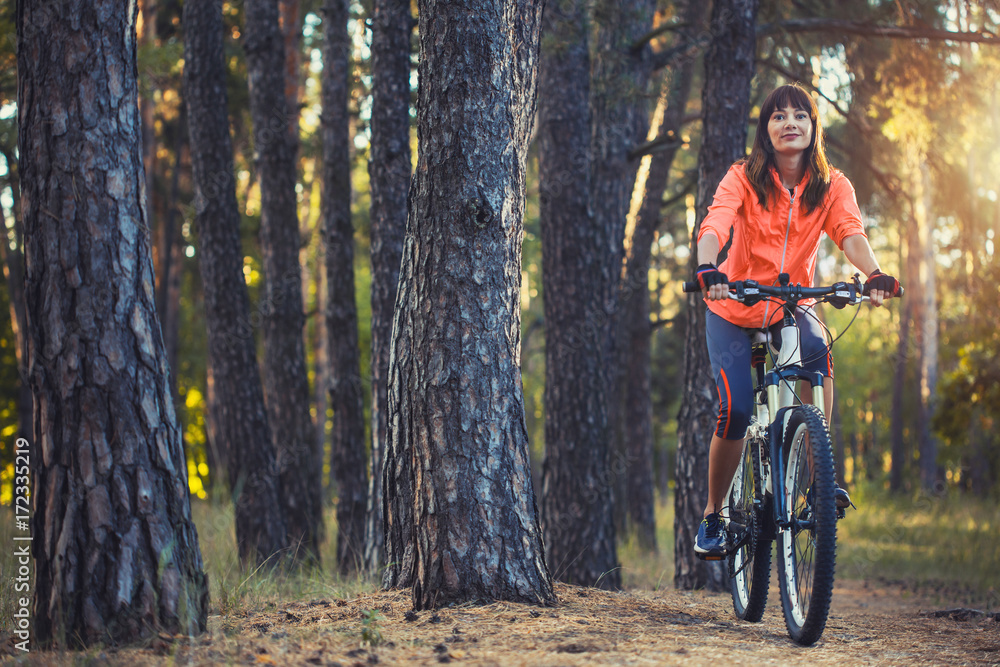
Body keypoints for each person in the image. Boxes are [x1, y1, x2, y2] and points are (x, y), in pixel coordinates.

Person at [693, 83, 901, 559]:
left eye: (800, 116)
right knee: (737, 411)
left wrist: (874, 274)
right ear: (765, 131)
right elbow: (716, 223)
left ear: (813, 128)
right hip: (735, 308)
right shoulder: (743, 177)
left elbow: (849, 232)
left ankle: (818, 483)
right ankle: (713, 514)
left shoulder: (832, 186)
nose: (790, 123)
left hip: (792, 306)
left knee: (818, 356)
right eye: (778, 116)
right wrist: (708, 268)